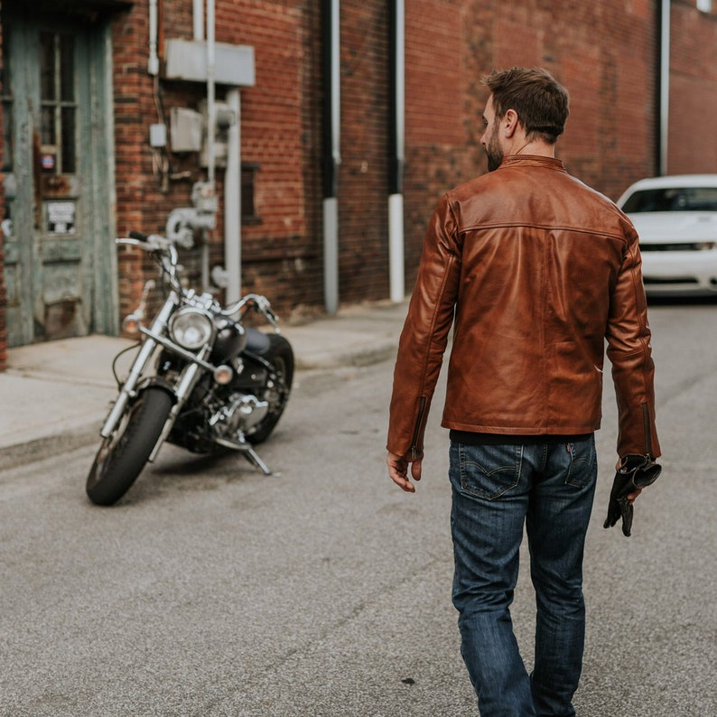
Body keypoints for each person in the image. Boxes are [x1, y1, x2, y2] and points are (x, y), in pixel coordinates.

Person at [385, 67, 660, 717]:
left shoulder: (463, 205)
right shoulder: (609, 221)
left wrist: (404, 435)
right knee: (561, 587)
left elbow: (426, 332)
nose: (482, 130)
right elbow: (632, 349)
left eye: (486, 119)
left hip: (486, 438)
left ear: (509, 122)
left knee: (483, 595)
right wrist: (636, 450)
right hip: (570, 442)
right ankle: (550, 708)